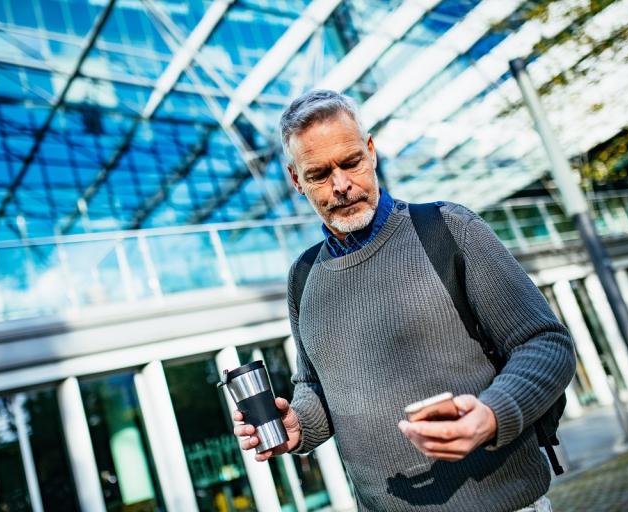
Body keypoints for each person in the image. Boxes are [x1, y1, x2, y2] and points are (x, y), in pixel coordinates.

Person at [231, 89, 576, 511]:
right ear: (296, 181)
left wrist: (493, 414)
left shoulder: (448, 229)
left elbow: (546, 344)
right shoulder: (304, 278)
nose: (341, 185)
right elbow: (316, 386)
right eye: (320, 174)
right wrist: (297, 424)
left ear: (371, 152)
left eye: (352, 162)